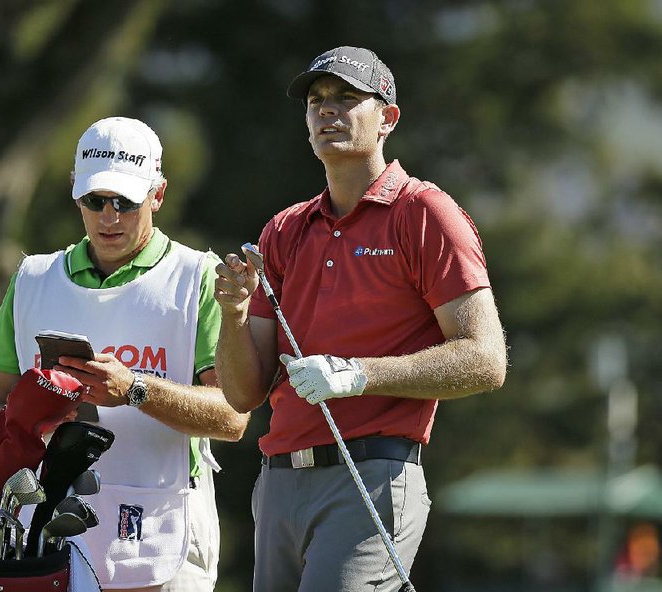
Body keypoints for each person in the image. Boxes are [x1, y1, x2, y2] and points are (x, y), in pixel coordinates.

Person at [214, 46, 507, 591]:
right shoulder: (284, 229)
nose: (328, 111)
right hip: (278, 482)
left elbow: (486, 360)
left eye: (348, 98)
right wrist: (232, 315)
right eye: (317, 100)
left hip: (371, 475)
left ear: (388, 118)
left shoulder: (425, 214)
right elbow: (242, 395)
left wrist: (358, 374)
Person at [0, 116, 249, 591]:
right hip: (47, 537)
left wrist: (135, 389)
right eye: (95, 200)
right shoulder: (33, 280)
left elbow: (232, 416)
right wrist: (32, 423)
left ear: (157, 195)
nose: (109, 217)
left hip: (165, 533)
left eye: (125, 202)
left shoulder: (198, 277)